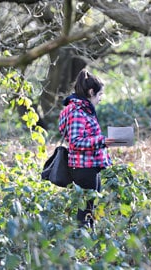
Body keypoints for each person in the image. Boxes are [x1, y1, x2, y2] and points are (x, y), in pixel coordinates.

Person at [59, 69, 115, 229]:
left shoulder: (83, 110)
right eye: (100, 94)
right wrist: (101, 141)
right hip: (84, 167)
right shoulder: (77, 112)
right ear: (91, 92)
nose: (101, 98)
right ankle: (81, 245)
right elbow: (75, 142)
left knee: (91, 209)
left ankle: (89, 246)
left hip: (91, 166)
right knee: (85, 212)